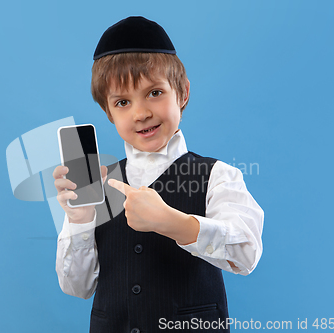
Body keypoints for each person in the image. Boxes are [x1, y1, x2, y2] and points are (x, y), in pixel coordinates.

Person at [53, 16, 264, 333]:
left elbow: (246, 253)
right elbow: (77, 287)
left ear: (182, 93)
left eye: (154, 93)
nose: (141, 113)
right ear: (108, 113)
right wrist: (80, 219)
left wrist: (174, 223)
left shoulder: (218, 175)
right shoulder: (96, 187)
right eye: (123, 102)